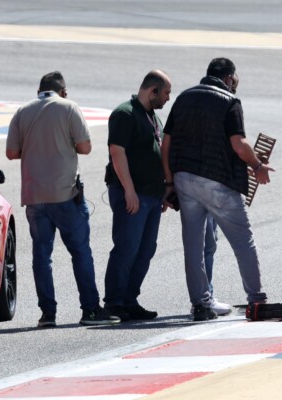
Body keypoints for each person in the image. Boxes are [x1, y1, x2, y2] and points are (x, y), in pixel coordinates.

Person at [162, 57, 273, 321]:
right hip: (218, 181)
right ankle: (256, 299)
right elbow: (238, 143)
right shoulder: (229, 101)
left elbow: (166, 143)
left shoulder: (184, 98)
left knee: (193, 244)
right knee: (243, 241)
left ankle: (201, 304)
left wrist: (168, 182)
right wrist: (257, 165)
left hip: (184, 179)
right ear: (229, 78)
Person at [6, 71, 119, 327]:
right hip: (65, 194)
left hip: (34, 196)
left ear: (39, 91)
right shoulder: (69, 108)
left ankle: (47, 314)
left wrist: (35, 147)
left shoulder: (21, 112)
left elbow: (12, 152)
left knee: (41, 256)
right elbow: (85, 147)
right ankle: (90, 310)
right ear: (63, 91)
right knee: (80, 252)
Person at [102, 70, 172, 322]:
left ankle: (129, 299)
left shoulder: (152, 116)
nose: (167, 99)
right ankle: (114, 302)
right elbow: (117, 152)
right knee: (127, 247)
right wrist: (129, 190)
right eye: (165, 93)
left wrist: (164, 189)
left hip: (152, 196)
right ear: (152, 90)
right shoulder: (125, 113)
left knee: (146, 249)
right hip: (131, 194)